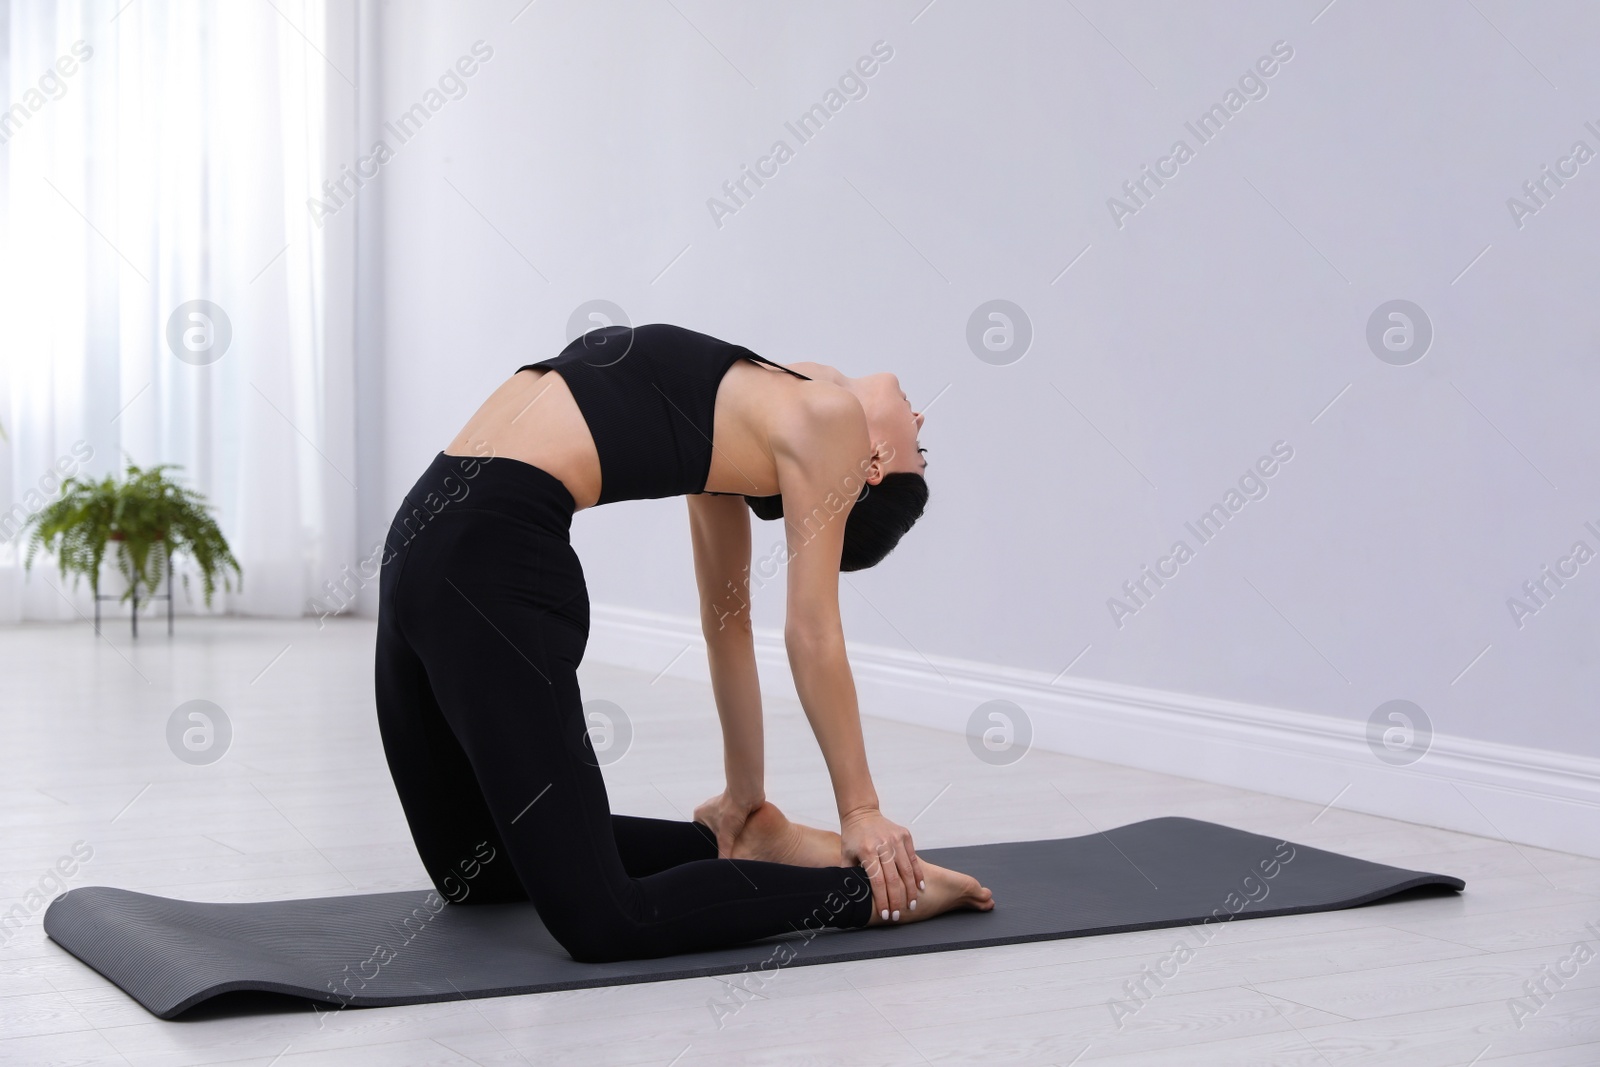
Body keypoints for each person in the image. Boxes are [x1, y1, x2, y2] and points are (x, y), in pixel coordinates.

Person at [374, 322, 992, 964]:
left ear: (871, 465)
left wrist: (861, 812)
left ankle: (870, 896)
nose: (920, 420)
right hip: (421, 547)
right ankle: (741, 842)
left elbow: (810, 630)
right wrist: (743, 800)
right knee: (469, 867)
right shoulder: (753, 404)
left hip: (489, 562)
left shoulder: (829, 419)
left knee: (606, 923)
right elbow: (727, 625)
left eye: (921, 451)